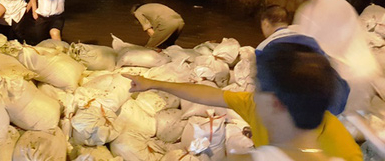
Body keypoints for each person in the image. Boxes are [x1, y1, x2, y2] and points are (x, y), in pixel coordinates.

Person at [123, 40, 363, 161]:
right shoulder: (271, 109)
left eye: (257, 87)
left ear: (275, 103)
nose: (250, 93)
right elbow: (212, 95)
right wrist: (153, 83)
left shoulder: (343, 152)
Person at [294, 0, 380, 111]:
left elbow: (305, 52)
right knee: (353, 123)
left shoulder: (309, 10)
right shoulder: (343, 4)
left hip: (344, 80)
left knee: (331, 124)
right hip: (366, 73)